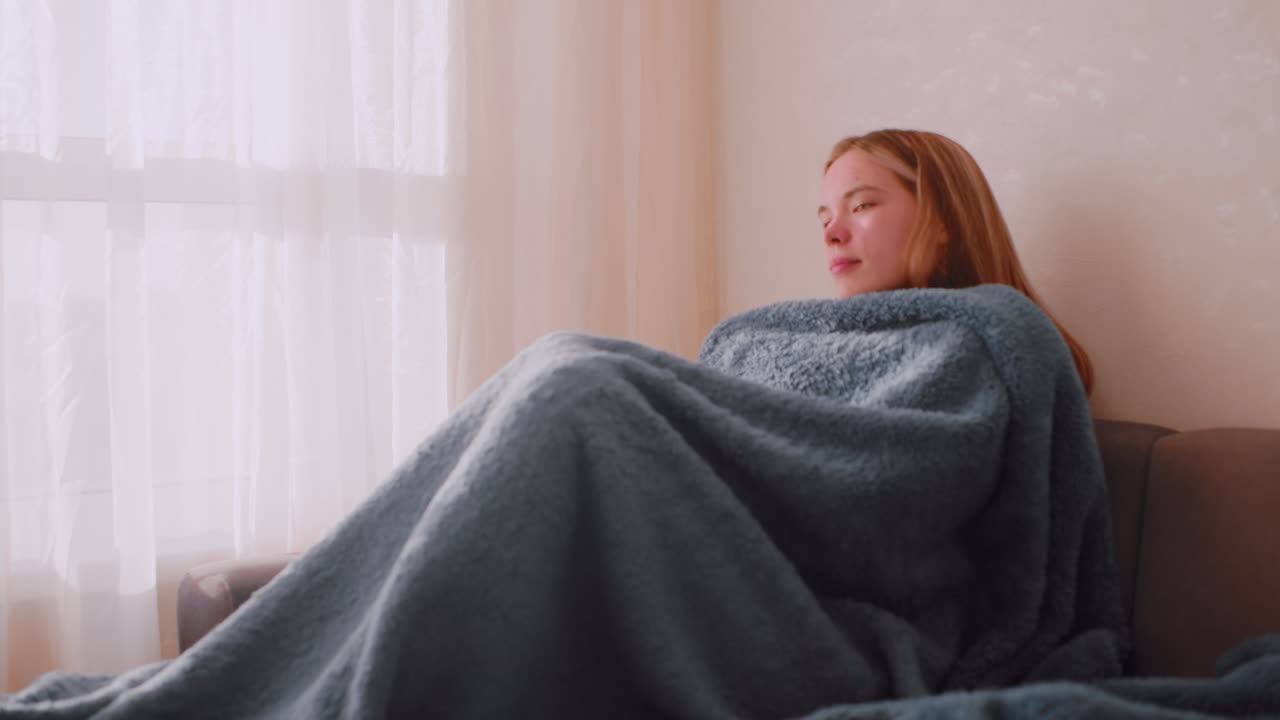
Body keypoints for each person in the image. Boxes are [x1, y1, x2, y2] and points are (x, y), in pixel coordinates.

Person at [0, 130, 1128, 719]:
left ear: (942, 214)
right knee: (564, 372)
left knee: (577, 383)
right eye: (820, 213)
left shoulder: (985, 337)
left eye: (865, 203)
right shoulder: (778, 335)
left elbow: (878, 491)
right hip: (701, 576)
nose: (831, 232)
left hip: (826, 628)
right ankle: (251, 682)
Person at [818, 129, 1092, 392]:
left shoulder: (979, 353)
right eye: (825, 218)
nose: (831, 233)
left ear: (943, 220)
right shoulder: (823, 347)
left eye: (861, 205)